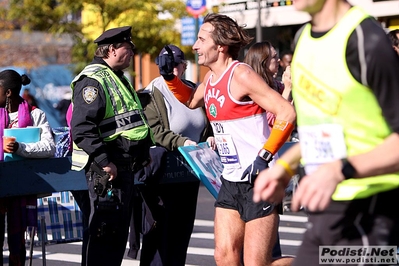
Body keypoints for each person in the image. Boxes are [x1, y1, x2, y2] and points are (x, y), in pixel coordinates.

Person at [253, 1, 399, 265]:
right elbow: (324, 129)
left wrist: (339, 170)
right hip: (323, 213)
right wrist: (285, 167)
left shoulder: (366, 39)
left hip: (367, 213)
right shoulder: (303, 38)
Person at [168, 13, 296, 266]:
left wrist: (264, 156)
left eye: (201, 40)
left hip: (261, 178)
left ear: (221, 46)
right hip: (231, 179)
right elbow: (191, 100)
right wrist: (169, 77)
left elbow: (286, 112)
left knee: (257, 263)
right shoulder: (211, 79)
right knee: (224, 257)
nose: (195, 46)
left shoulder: (241, 75)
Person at [70, 26, 154, 266]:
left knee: (115, 237)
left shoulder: (117, 77)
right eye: (129, 48)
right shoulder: (93, 80)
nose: (132, 53)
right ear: (113, 49)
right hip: (107, 170)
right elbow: (82, 129)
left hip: (122, 166)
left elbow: (129, 121)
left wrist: (142, 152)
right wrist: (105, 162)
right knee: (105, 237)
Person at [136, 44, 215, 265]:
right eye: (167, 66)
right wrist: (181, 142)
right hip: (164, 173)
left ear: (184, 66)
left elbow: (207, 122)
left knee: (182, 232)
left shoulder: (192, 89)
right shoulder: (151, 93)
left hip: (192, 170)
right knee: (160, 235)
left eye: (177, 66)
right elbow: (155, 131)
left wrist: (210, 136)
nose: (173, 71)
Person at [0, 70, 55, 265]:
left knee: (18, 241)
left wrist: (19, 148)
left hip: (22, 186)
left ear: (7, 92)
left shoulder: (35, 115)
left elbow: (50, 148)